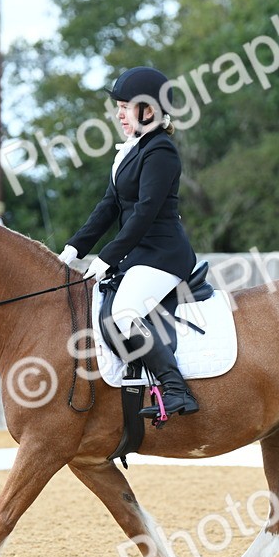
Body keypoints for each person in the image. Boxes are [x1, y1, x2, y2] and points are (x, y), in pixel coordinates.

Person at [59, 66, 200, 420]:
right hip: (138, 256)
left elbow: (146, 212)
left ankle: (175, 388)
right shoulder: (131, 149)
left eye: (125, 106)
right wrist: (73, 248)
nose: (119, 114)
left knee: (123, 313)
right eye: (118, 106)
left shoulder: (161, 151)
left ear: (148, 110)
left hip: (164, 256)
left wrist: (107, 257)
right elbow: (109, 207)